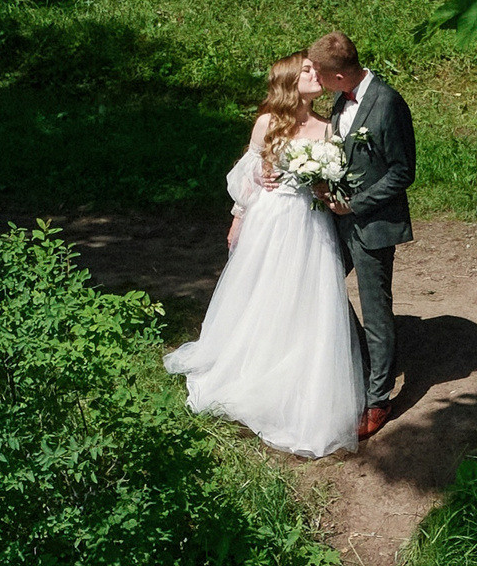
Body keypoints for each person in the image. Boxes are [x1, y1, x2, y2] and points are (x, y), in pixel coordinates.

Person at [164, 53, 366, 458]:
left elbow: (331, 185)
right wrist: (241, 212)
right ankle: (252, 365)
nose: (316, 75)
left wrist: (323, 188)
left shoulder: (329, 129)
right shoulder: (269, 123)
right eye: (307, 70)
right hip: (271, 221)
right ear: (291, 81)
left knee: (307, 298)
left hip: (310, 225)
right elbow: (246, 171)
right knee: (266, 292)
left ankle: (299, 377)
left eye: (316, 70)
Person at [304, 29, 415, 439]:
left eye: (317, 71)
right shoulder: (340, 99)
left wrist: (356, 203)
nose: (312, 76)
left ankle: (378, 398)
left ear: (338, 77)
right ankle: (353, 361)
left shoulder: (387, 104)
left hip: (373, 223)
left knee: (376, 308)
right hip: (339, 219)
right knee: (322, 281)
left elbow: (403, 172)